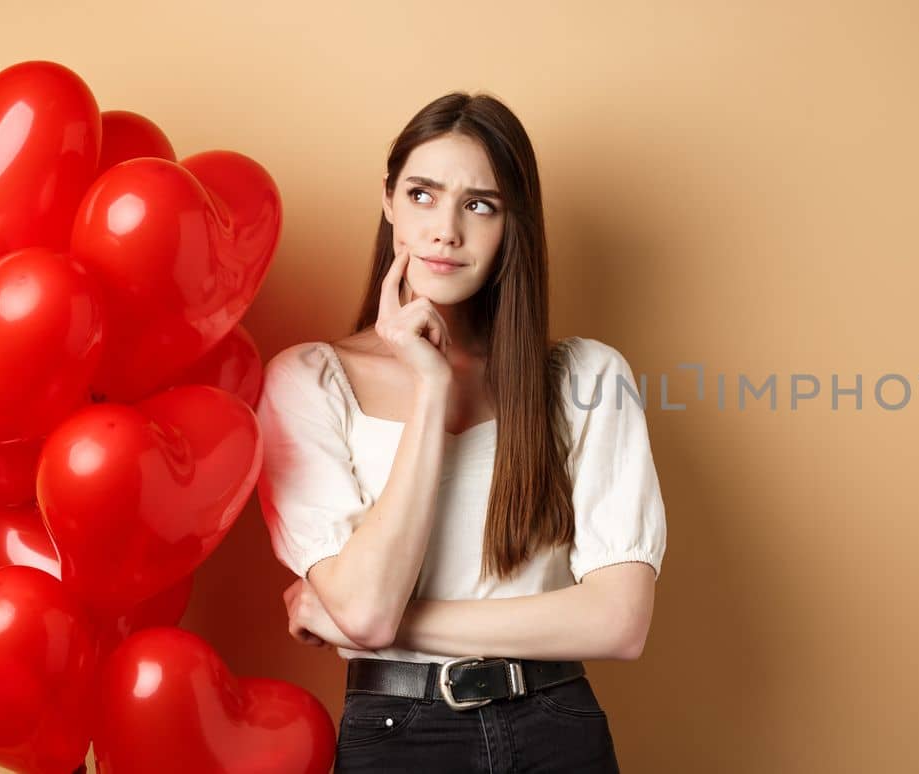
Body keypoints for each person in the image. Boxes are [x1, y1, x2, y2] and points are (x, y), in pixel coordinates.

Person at [254, 92, 666, 773]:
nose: (445, 229)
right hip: (397, 734)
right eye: (422, 195)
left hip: (555, 728)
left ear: (513, 224)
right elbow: (364, 608)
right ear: (388, 201)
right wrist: (431, 387)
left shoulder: (584, 378)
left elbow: (618, 622)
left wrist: (383, 625)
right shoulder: (309, 380)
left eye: (480, 204)